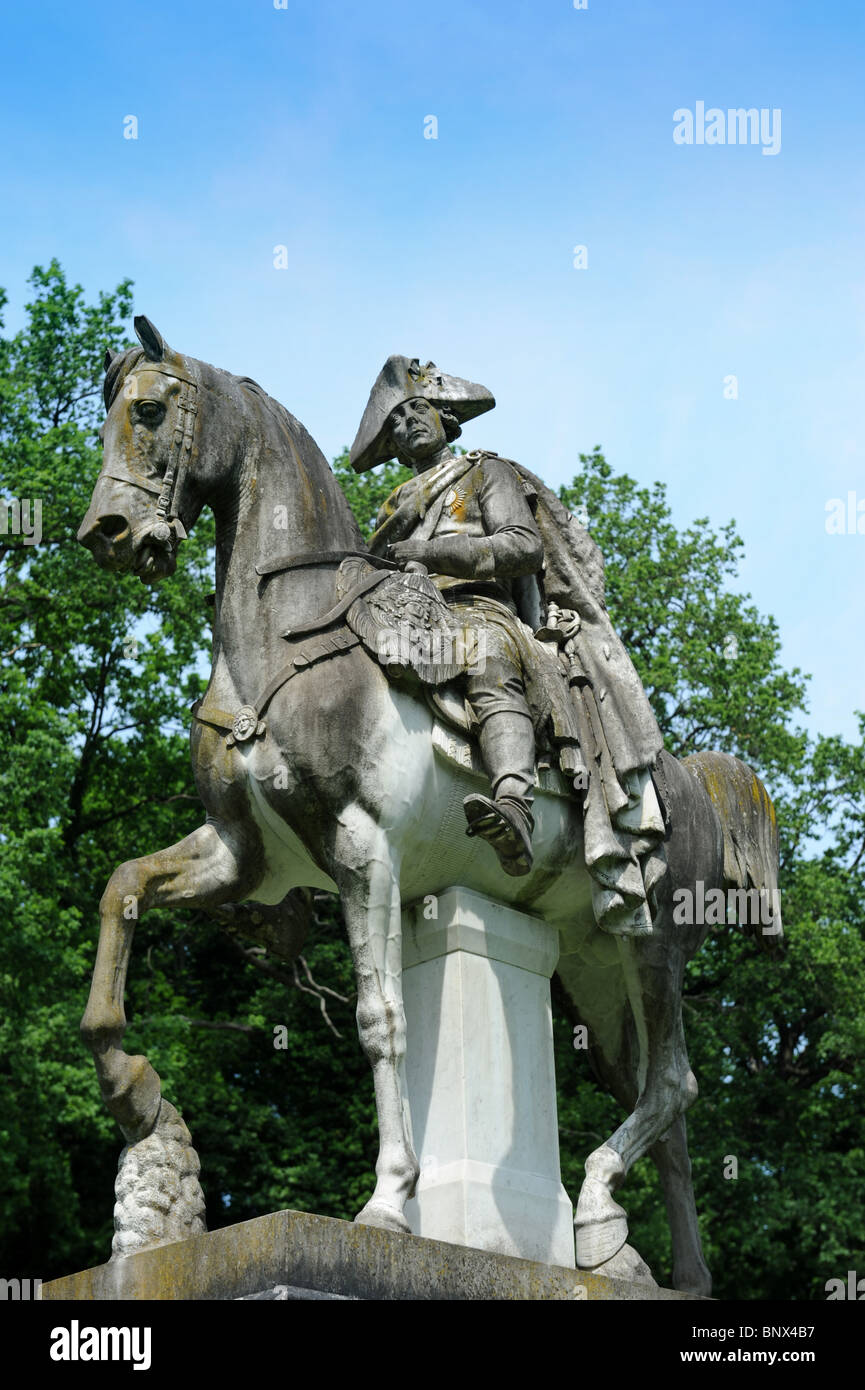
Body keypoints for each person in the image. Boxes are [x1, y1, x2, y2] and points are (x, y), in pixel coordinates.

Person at [350, 357, 668, 934]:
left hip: (477, 606)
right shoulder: (393, 505)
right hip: (410, 615)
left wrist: (433, 555)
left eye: (418, 410)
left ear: (446, 417)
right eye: (396, 423)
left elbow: (522, 547)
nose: (409, 426)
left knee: (486, 653)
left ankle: (515, 806)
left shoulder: (483, 472)